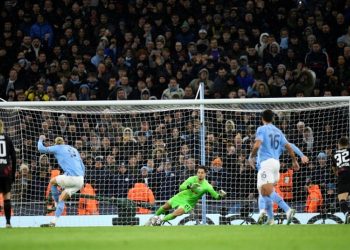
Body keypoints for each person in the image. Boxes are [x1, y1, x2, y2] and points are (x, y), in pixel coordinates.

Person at [249, 110, 302, 225]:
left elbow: (257, 145)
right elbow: (289, 146)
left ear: (262, 118)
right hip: (276, 164)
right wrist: (294, 160)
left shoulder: (261, 129)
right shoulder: (278, 131)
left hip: (266, 163)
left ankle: (288, 210)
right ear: (272, 119)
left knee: (266, 189)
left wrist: (251, 156)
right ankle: (271, 219)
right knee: (263, 192)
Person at [146, 165, 226, 226]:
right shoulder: (191, 179)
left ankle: (160, 220)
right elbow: (181, 187)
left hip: (189, 203)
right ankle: (153, 218)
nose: (200, 174)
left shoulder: (207, 186)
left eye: (202, 173)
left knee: (176, 213)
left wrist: (221, 196)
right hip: (181, 196)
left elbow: (216, 196)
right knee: (165, 207)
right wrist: (190, 187)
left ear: (205, 174)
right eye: (198, 172)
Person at [37, 135, 85, 227]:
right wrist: (82, 179)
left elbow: (41, 149)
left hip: (71, 178)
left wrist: (41, 139)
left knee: (52, 182)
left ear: (56, 143)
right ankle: (53, 222)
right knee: (62, 198)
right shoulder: (74, 149)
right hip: (80, 180)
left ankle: (55, 204)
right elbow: (83, 166)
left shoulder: (57, 148)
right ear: (64, 142)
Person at [0, 120, 17, 228]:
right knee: (6, 197)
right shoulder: (7, 138)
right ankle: (8, 223)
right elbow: (14, 157)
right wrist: (13, 173)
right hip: (5, 172)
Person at [332, 137, 350, 224]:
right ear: (348, 144)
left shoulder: (335, 153)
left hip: (342, 174)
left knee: (342, 198)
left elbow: (334, 168)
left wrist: (337, 174)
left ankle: (347, 214)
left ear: (338, 144)